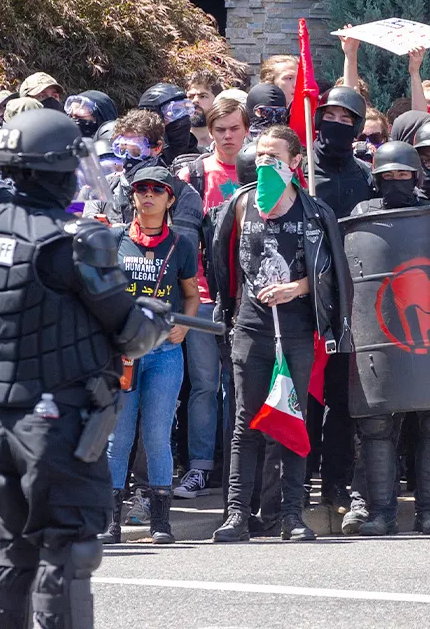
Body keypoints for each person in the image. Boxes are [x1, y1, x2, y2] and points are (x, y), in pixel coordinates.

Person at [0, 108, 174, 629]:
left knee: (10, 549)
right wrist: (158, 318)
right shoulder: (75, 239)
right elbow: (129, 331)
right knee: (66, 552)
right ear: (54, 170)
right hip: (59, 421)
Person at [210, 125, 353, 542]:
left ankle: (292, 515)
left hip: (296, 330)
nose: (264, 164)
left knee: (292, 421)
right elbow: (221, 261)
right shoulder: (240, 204)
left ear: (295, 163)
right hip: (250, 329)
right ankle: (236, 514)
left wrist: (298, 287)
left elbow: (332, 273)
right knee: (245, 424)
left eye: (274, 158)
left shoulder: (314, 211)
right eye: (259, 157)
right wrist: (228, 313)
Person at [346, 141, 430, 535]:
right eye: (388, 176)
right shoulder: (362, 216)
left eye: (403, 175)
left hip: (429, 337)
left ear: (416, 176)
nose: (396, 182)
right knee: (376, 423)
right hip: (379, 332)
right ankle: (381, 512)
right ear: (377, 179)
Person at [101, 165, 199, 545]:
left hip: (164, 351)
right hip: (122, 354)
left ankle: (161, 522)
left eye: (157, 190)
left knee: (157, 435)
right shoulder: (113, 239)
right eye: (141, 189)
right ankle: (110, 522)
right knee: (118, 437)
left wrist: (186, 325)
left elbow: (191, 295)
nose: (147, 196)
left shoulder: (182, 243)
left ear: (170, 199)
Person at [172, 98, 248, 501]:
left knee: (239, 385)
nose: (228, 137)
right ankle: (201, 466)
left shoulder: (261, 172)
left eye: (235, 128)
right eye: (220, 130)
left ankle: (239, 464)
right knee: (204, 384)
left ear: (246, 128)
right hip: (201, 293)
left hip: (248, 295)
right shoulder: (195, 175)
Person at [306, 86, 373, 512]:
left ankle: (336, 481)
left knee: (342, 400)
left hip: (354, 299)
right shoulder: (303, 173)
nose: (336, 125)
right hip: (310, 297)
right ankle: (299, 478)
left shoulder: (365, 175)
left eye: (347, 120)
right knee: (306, 395)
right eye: (329, 116)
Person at [82, 109, 204, 235]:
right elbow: (88, 232)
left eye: (136, 151)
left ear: (157, 147)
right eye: (122, 150)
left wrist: (119, 232)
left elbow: (185, 242)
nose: (128, 158)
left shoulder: (183, 192)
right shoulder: (104, 187)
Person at [138, 83, 200, 166]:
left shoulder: (202, 157)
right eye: (175, 111)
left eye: (186, 108)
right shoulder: (141, 162)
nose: (184, 116)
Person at [186, 70, 223, 149]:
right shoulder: (175, 143)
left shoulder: (226, 140)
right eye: (190, 97)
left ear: (217, 100)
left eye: (203, 96)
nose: (195, 101)